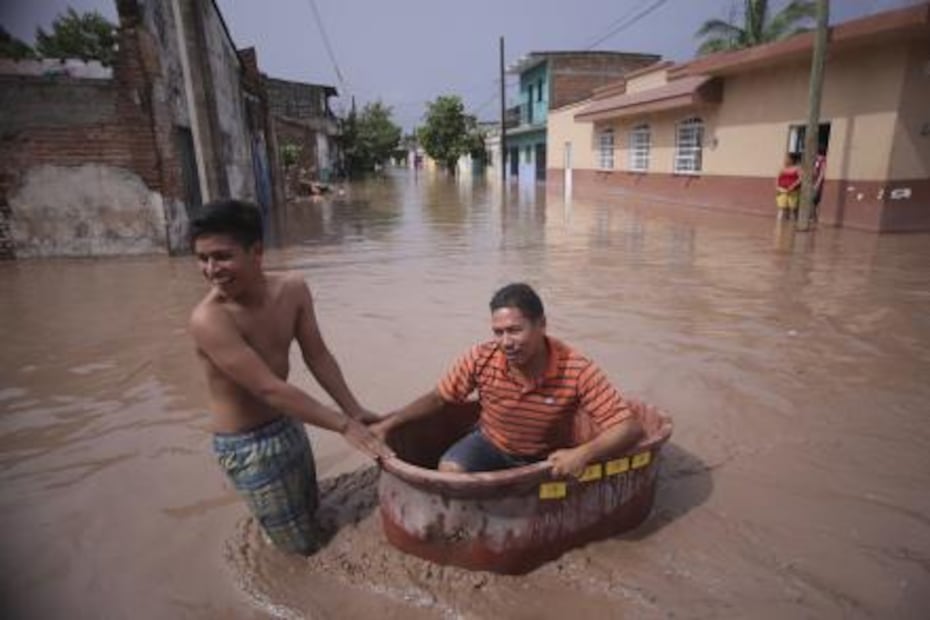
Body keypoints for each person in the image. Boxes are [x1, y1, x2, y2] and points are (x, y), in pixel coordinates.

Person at [188, 199, 392, 555]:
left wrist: (353, 409)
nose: (211, 269)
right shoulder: (209, 319)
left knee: (310, 510)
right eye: (202, 259)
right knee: (298, 546)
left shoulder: (293, 288)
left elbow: (318, 355)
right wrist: (343, 426)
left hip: (288, 421)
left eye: (222, 256)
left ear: (257, 251)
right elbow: (268, 388)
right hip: (246, 444)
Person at [370, 283, 643, 478]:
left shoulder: (576, 368)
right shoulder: (480, 358)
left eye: (515, 330)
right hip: (491, 443)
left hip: (546, 455)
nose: (506, 342)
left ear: (541, 325)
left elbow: (628, 428)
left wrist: (583, 454)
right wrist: (387, 425)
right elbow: (440, 397)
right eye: (498, 332)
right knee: (450, 472)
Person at [775, 152, 802, 220]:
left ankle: (791, 227)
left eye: (787, 158)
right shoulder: (782, 168)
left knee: (792, 209)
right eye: (785, 158)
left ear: (792, 160)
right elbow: (778, 178)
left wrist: (793, 186)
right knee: (781, 208)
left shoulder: (797, 168)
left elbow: (800, 178)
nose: (786, 160)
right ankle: (779, 226)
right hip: (782, 190)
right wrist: (777, 187)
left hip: (793, 191)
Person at [812, 148, 827, 222]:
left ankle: (816, 218)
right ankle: (814, 217)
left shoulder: (823, 161)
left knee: (816, 200)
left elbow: (822, 173)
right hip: (815, 182)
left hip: (818, 183)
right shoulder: (817, 161)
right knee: (814, 201)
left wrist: (817, 184)